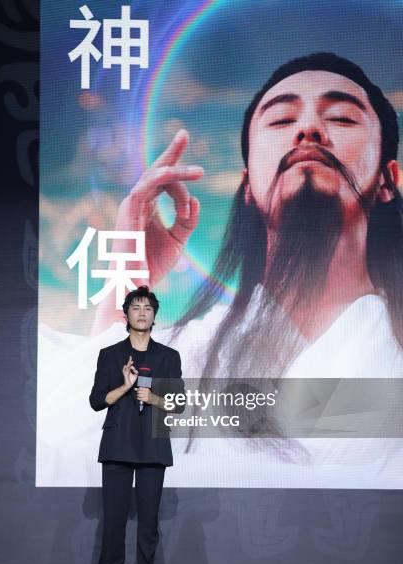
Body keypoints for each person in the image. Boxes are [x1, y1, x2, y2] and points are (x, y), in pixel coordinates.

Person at [37, 52, 403, 490]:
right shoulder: (190, 350)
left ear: (388, 179)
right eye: (282, 119)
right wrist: (129, 281)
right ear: (248, 186)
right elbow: (65, 441)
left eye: (341, 118)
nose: (309, 130)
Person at [89, 285, 184, 564]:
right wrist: (125, 386)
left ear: (154, 315)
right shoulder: (111, 355)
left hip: (152, 445)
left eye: (147, 308)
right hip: (117, 443)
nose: (142, 312)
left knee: (148, 520)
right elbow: (97, 401)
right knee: (114, 519)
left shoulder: (168, 357)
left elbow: (179, 403)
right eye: (136, 307)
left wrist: (154, 397)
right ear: (126, 314)